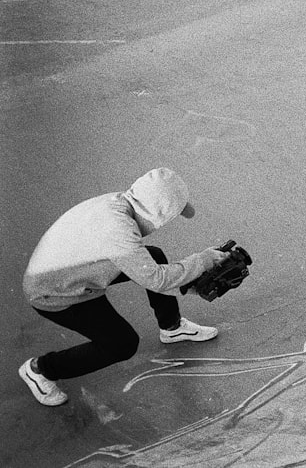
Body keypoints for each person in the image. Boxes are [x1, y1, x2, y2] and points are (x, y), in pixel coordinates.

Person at [18, 168, 228, 406]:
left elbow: (148, 271)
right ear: (157, 214)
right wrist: (202, 261)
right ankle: (40, 370)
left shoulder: (118, 203)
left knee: (154, 255)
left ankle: (172, 327)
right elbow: (156, 280)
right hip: (55, 292)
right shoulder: (118, 231)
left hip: (77, 270)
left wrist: (188, 284)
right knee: (122, 344)